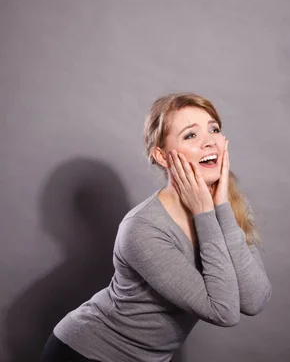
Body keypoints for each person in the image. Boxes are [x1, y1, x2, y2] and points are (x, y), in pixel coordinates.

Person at [40, 93, 272, 362]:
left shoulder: (230, 205)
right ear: (162, 156)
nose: (209, 141)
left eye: (214, 129)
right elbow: (224, 312)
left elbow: (254, 300)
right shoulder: (142, 228)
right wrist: (205, 213)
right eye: (190, 135)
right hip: (87, 352)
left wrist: (221, 210)